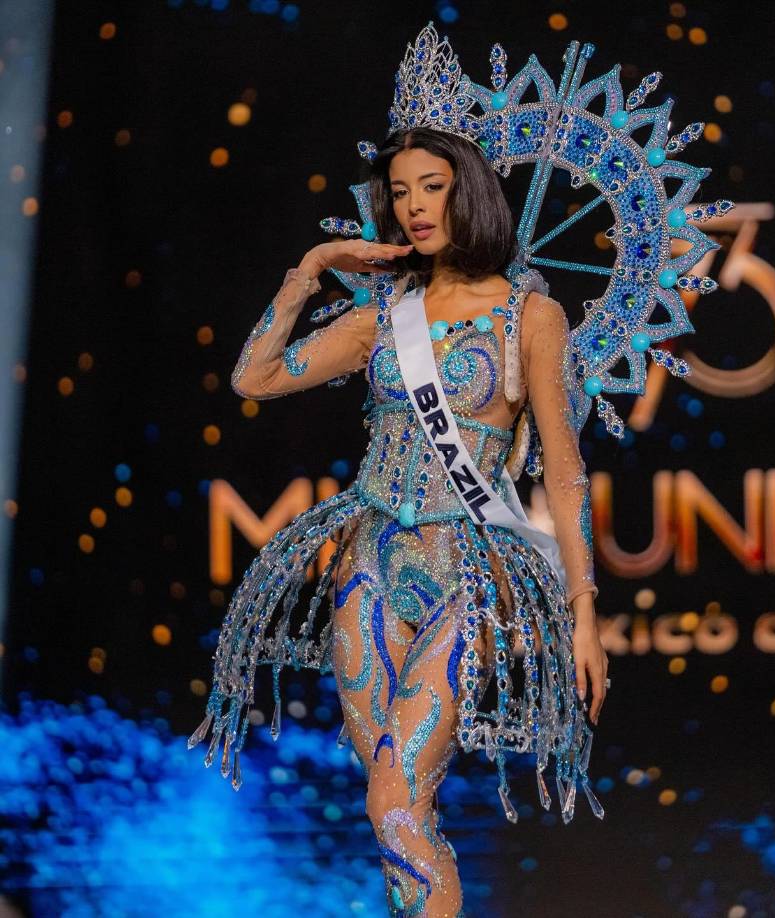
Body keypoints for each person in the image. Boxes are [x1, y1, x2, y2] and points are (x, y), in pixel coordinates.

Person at [190, 27, 613, 918]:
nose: (416, 207)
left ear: (472, 190)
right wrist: (310, 272)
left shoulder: (531, 317)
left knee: (394, 796)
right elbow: (254, 379)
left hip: (471, 571)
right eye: (400, 192)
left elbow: (566, 476)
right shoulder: (384, 313)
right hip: (368, 564)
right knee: (396, 808)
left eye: (434, 186)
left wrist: (581, 614)